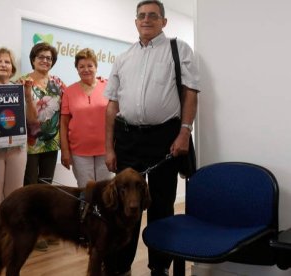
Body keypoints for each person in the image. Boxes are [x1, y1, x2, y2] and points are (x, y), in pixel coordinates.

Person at [104, 1, 200, 276]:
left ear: (163, 22)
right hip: (128, 139)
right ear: (135, 22)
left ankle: (159, 266)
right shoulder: (123, 57)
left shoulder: (178, 49)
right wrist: (108, 147)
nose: (146, 20)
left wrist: (185, 132)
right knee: (124, 206)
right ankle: (120, 267)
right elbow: (111, 105)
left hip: (164, 138)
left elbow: (190, 92)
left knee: (161, 204)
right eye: (142, 16)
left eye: (153, 16)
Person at [0, 47, 37, 242]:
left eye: (7, 62)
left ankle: (12, 241)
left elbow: (32, 120)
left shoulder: (21, 89)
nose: (3, 65)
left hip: (17, 148)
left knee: (15, 196)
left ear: (12, 67)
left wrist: (28, 94)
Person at [18, 42, 66, 251]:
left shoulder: (58, 82)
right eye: (41, 57)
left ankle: (45, 228)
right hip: (28, 142)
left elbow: (66, 109)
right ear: (33, 59)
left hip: (51, 141)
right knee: (30, 186)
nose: (45, 60)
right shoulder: (22, 81)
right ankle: (31, 231)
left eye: (49, 58)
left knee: (47, 185)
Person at [60, 48, 112, 187]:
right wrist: (65, 151)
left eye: (90, 65)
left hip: (106, 149)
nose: (86, 69)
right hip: (79, 151)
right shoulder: (69, 91)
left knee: (106, 191)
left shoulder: (108, 87)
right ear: (76, 69)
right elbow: (64, 123)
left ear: (96, 67)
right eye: (81, 66)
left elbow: (116, 117)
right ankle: (87, 211)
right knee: (86, 191)